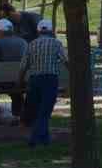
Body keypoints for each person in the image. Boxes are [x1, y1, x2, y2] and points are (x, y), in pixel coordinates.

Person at [21, 18, 68, 147]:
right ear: (51, 30)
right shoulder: (57, 44)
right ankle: (34, 139)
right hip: (50, 79)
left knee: (37, 110)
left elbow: (24, 65)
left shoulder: (31, 44)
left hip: (34, 80)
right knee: (45, 110)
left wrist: (19, 80)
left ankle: (45, 140)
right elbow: (65, 61)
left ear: (38, 31)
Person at [0, 18, 28, 122]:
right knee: (17, 92)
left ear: (1, 31)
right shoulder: (23, 42)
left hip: (3, 81)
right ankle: (18, 114)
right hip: (23, 80)